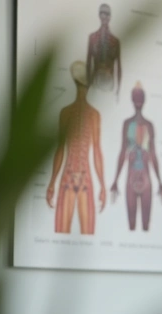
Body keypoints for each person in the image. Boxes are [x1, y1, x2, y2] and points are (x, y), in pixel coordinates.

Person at [45, 61, 106, 234]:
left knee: (77, 233)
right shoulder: (87, 114)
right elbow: (95, 151)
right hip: (80, 178)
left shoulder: (72, 113)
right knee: (70, 233)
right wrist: (102, 185)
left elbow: (61, 150)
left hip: (71, 178)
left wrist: (52, 183)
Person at [109, 81, 162, 231]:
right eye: (136, 96)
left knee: (146, 224)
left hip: (146, 177)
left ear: (144, 98)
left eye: (140, 96)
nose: (138, 99)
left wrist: (160, 181)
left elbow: (153, 153)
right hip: (131, 177)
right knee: (131, 225)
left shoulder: (149, 125)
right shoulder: (127, 124)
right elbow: (123, 151)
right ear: (132, 99)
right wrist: (115, 180)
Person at [86, 3, 122, 98]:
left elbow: (119, 66)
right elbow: (88, 64)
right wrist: (88, 85)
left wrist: (118, 89)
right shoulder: (92, 38)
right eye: (103, 13)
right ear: (99, 15)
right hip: (94, 84)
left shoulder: (115, 41)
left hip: (109, 85)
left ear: (110, 17)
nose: (105, 16)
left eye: (107, 14)